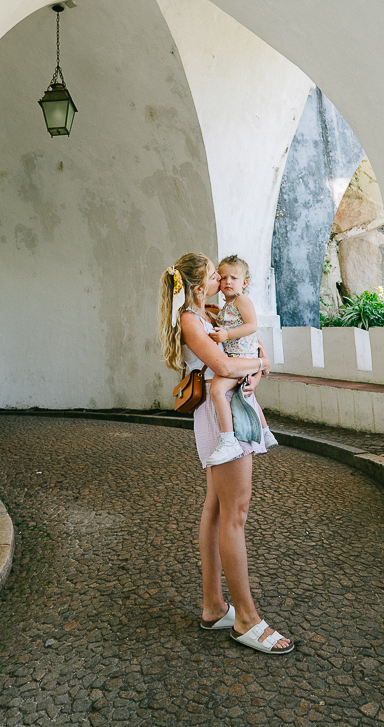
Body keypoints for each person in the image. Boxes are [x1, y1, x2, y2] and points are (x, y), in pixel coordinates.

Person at [159, 253, 294, 655]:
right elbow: (222, 363)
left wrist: (260, 362)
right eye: (216, 275)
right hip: (222, 418)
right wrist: (259, 366)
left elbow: (251, 345)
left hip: (232, 407)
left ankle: (214, 606)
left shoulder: (217, 313)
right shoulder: (190, 320)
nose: (223, 278)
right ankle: (247, 619)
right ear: (199, 286)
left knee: (217, 509)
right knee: (236, 512)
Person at [206, 254, 278, 465]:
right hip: (238, 358)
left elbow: (252, 326)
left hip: (241, 358)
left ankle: (228, 440)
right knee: (247, 396)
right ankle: (265, 432)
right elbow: (232, 321)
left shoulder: (242, 300)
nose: (228, 282)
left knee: (217, 390)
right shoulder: (228, 305)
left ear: (244, 283)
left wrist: (226, 335)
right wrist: (217, 312)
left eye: (234, 278)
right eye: (223, 277)